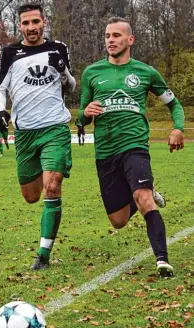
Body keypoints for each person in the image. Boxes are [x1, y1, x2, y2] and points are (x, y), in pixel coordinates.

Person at [78, 17, 185, 277]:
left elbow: (174, 104)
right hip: (105, 152)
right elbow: (80, 117)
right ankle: (143, 189)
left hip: (135, 144)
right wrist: (85, 113)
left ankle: (162, 259)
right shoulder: (91, 73)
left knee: (144, 198)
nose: (111, 40)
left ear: (130, 40)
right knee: (119, 221)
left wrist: (177, 127)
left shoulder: (146, 72)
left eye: (116, 35)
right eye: (107, 36)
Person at [0, 3, 76, 270]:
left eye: (35, 22)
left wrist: (62, 69)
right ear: (20, 26)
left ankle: (43, 254)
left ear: (44, 22)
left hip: (55, 128)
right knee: (31, 196)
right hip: (26, 134)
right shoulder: (8, 53)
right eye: (25, 23)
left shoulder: (58, 48)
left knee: (53, 186)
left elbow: (71, 86)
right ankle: (47, 169)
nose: (31, 28)